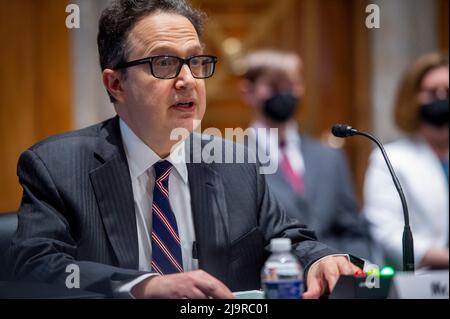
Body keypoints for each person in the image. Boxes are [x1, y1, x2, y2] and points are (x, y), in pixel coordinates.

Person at [7, 0, 361, 299]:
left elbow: (287, 239)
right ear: (115, 84)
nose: (188, 80)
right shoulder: (58, 166)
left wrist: (319, 260)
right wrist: (144, 285)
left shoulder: (235, 164)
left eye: (195, 61)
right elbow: (35, 265)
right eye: (163, 63)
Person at [239, 49, 379, 263]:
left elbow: (353, 231)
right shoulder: (234, 159)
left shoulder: (329, 157)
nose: (285, 93)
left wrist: (355, 271)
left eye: (292, 85)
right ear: (248, 92)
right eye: (274, 86)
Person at [363, 52, 449, 270]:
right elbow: (385, 231)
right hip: (423, 279)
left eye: (447, 91)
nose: (441, 98)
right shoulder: (391, 158)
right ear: (413, 98)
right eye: (431, 92)